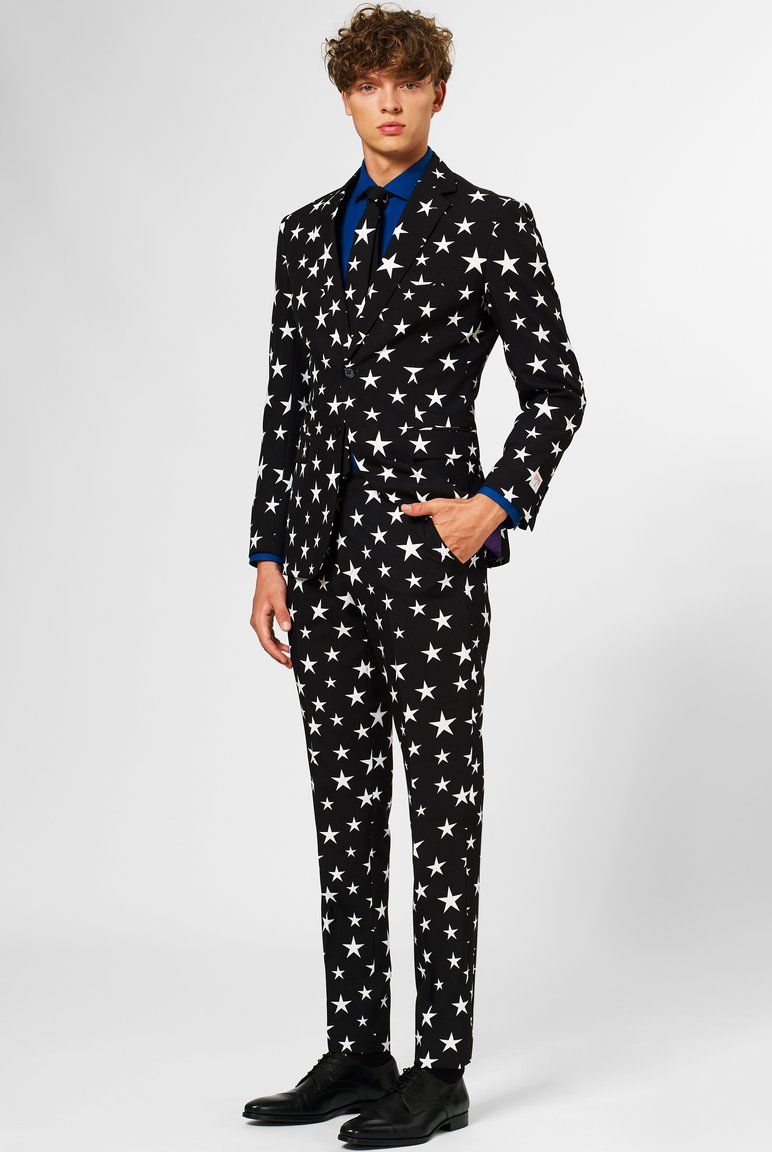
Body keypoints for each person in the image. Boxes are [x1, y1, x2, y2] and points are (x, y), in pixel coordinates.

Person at [242, 3, 587, 1144]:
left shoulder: (489, 225)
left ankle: (438, 1069)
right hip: (323, 561)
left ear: (438, 92)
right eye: (367, 83)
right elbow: (286, 406)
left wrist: (493, 505)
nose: (387, 101)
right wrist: (269, 551)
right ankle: (357, 1048)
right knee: (342, 806)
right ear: (345, 96)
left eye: (407, 81)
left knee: (441, 807)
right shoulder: (303, 235)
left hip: (429, 562)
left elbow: (556, 388)